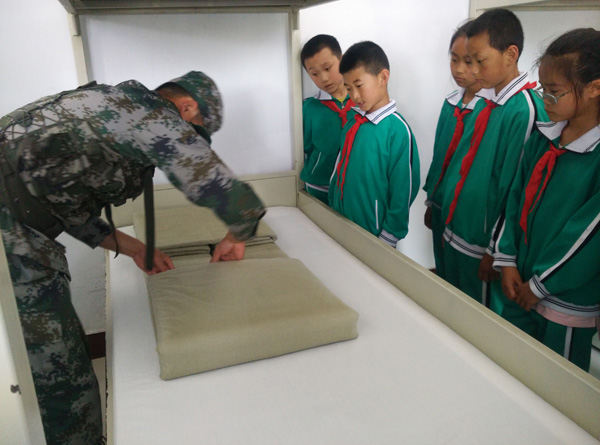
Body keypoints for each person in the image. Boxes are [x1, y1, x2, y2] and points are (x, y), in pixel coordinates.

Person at [0, 71, 265, 444]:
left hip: (14, 219)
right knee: (63, 380)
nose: (191, 140)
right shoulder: (149, 115)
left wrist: (137, 249)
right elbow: (218, 187)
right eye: (195, 131)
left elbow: (68, 209)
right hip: (10, 231)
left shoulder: (110, 105)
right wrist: (236, 236)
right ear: (187, 107)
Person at [493, 28, 600, 371]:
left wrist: (541, 285)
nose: (545, 99)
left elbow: (587, 235)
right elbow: (515, 200)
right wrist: (507, 260)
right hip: (521, 284)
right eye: (542, 89)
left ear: (594, 88)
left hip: (564, 300)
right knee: (512, 366)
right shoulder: (544, 137)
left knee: (557, 382)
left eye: (554, 91)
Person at [438, 9, 544, 311]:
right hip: (458, 232)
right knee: (453, 310)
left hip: (483, 245)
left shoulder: (524, 110)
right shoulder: (486, 101)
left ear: (510, 54)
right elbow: (464, 167)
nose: (472, 71)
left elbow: (516, 190)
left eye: (479, 61)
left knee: (477, 320)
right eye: (467, 60)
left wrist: (496, 251)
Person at [329, 41, 420, 247]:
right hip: (342, 223)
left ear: (383, 78)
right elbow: (339, 168)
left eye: (359, 85)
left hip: (375, 234)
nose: (354, 96)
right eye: (348, 88)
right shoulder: (353, 122)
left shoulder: (397, 130)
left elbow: (403, 190)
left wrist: (389, 236)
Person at [423, 21, 481, 279]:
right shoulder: (450, 104)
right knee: (443, 266)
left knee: (466, 279)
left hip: (467, 214)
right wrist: (431, 200)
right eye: (454, 59)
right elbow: (439, 157)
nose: (458, 69)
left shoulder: (489, 112)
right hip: (440, 203)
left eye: (468, 62)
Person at [300, 34, 355, 204]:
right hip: (318, 186)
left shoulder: (362, 103)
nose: (323, 78)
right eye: (314, 73)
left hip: (354, 186)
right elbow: (305, 147)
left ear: (342, 60)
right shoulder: (308, 108)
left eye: (327, 68)